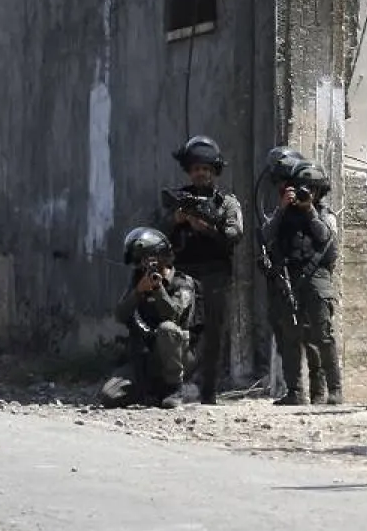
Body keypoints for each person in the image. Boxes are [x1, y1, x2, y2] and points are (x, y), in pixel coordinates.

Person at [157, 135, 244, 405]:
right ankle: (177, 388)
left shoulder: (226, 202)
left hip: (216, 274)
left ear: (213, 171)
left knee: (214, 334)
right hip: (184, 274)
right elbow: (157, 234)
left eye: (205, 169)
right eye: (196, 169)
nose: (201, 174)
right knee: (180, 330)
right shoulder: (179, 200)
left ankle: (209, 392)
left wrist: (206, 228)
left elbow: (235, 234)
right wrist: (176, 220)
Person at [261, 159, 342, 405]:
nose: (308, 193)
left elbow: (328, 243)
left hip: (317, 278)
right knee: (289, 337)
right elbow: (264, 236)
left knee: (322, 335)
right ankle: (295, 392)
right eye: (303, 188)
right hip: (288, 276)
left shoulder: (325, 215)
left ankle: (334, 390)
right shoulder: (284, 214)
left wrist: (309, 211)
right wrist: (282, 209)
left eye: (313, 189)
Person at [100, 227, 198, 409]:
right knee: (109, 396)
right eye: (142, 261)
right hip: (145, 357)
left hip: (176, 356)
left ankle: (176, 389)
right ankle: (150, 391)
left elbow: (174, 315)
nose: (144, 265)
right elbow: (120, 315)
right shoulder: (138, 281)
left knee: (167, 329)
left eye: (148, 259)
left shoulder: (182, 283)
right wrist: (138, 292)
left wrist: (158, 289)